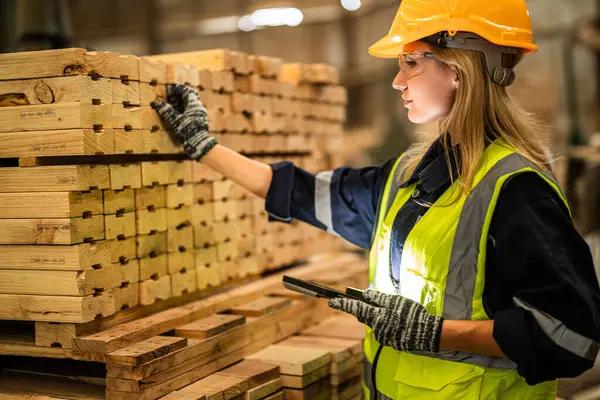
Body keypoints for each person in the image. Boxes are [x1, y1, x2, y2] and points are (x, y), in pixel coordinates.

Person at [152, 0, 600, 398]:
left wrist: (432, 332)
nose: (397, 80)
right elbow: (301, 192)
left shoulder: (516, 190)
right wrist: (204, 147)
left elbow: (570, 337)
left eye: (410, 62)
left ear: (459, 68)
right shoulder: (407, 176)